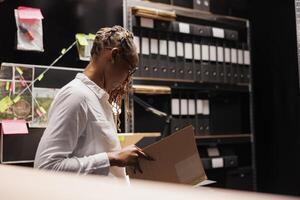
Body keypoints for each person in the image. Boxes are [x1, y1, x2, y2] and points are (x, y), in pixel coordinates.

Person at [34, 26, 152, 179]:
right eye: (129, 70)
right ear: (114, 55)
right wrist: (113, 158)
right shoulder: (76, 96)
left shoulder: (97, 98)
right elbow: (46, 167)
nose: (127, 80)